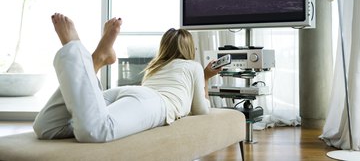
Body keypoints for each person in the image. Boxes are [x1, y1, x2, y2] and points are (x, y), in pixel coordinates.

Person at [33, 13, 221, 143]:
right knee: (96, 131)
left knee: (47, 127)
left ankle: (96, 63)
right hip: (154, 102)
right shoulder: (193, 66)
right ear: (190, 49)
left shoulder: (155, 66)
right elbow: (201, 110)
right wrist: (205, 77)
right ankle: (84, 53)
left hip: (131, 94)